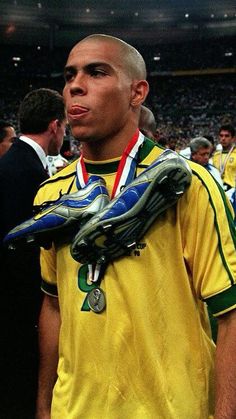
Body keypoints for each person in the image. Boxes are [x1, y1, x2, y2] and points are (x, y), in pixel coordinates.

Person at [10, 35, 236, 418]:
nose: (75, 85)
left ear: (137, 92)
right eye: (69, 75)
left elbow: (230, 314)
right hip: (75, 409)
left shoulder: (191, 185)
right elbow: (53, 305)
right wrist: (45, 404)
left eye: (96, 72)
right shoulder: (51, 193)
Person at [0, 88, 66, 418]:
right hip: (19, 307)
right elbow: (23, 248)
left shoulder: (15, 162)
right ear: (55, 126)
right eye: (64, 127)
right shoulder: (27, 172)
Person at [212, 124, 236, 191]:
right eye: (221, 136)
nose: (223, 138)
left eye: (227, 136)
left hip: (233, 192)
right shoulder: (215, 156)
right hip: (218, 191)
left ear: (233, 138)